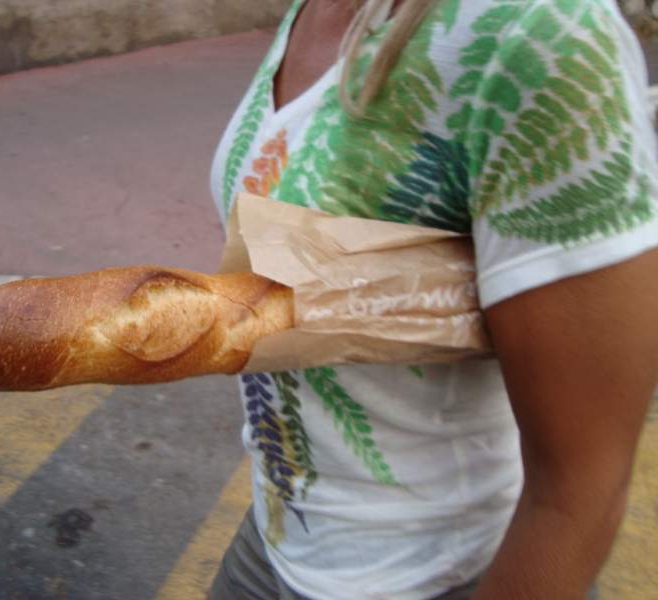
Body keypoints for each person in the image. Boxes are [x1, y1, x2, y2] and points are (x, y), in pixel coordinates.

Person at [207, 0, 658, 598]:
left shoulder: (539, 30)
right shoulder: (315, 8)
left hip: (444, 573)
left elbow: (579, 491)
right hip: (280, 535)